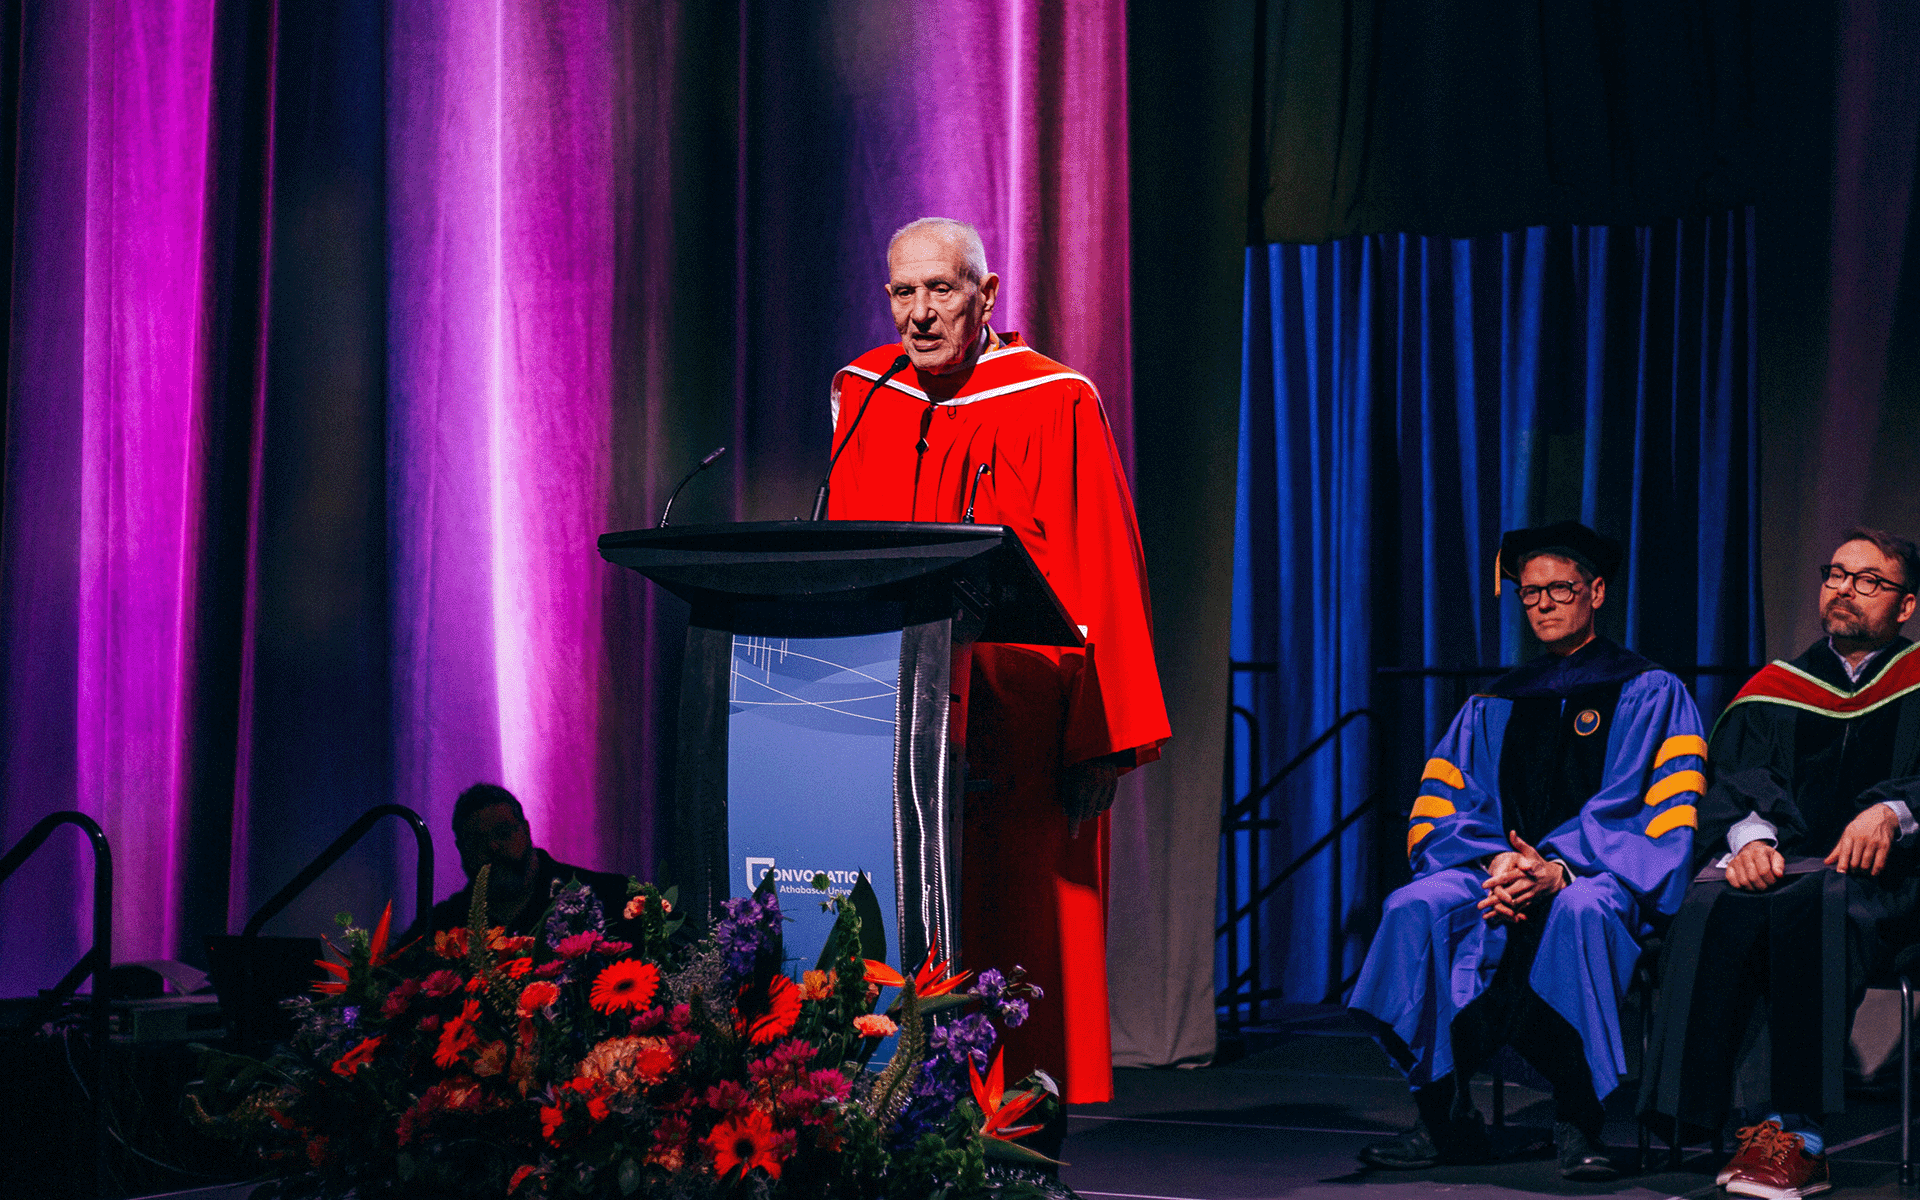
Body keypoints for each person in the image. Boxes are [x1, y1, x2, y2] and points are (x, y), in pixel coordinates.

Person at [823, 217, 1169, 1104]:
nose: (921, 314)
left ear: (988, 292)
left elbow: (1106, 571)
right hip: (894, 713)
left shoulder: (1055, 399)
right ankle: (889, 1105)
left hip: (1019, 719)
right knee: (894, 924)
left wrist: (1100, 741)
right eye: (904, 292)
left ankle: (1017, 1127)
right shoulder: (867, 392)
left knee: (1016, 933)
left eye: (942, 289)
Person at [1349, 521, 1704, 1179]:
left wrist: (1557, 868)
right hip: (1495, 872)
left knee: (1582, 912)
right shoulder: (1496, 701)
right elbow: (1444, 804)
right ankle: (1443, 1118)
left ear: (1595, 591)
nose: (1541, 603)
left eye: (1559, 589)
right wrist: (1496, 863)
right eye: (1529, 592)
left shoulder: (1652, 691)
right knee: (1416, 903)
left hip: (1599, 874)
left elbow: (1656, 812)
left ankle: (1579, 1121)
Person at [1641, 527, 1920, 1200]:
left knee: (1821, 908)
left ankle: (1799, 1137)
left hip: (1891, 883)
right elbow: (1741, 777)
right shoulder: (1777, 687)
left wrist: (1893, 814)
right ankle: (1732, 1123)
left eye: (1869, 580)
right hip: (1792, 871)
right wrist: (1750, 838)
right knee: (1712, 904)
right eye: (1836, 574)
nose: (1845, 589)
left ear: (1906, 605)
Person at [420, 783, 635, 939]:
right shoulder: (442, 924)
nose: (493, 847)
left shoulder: (605, 894)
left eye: (503, 833)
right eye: (477, 841)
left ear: (526, 830)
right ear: (461, 849)